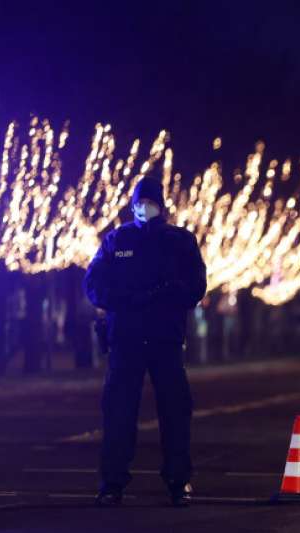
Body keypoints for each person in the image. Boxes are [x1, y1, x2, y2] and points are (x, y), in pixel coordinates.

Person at [84, 177, 207, 507]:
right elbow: (94, 283)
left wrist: (162, 297)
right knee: (119, 412)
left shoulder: (180, 241)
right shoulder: (117, 240)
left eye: (149, 202)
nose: (143, 208)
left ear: (160, 204)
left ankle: (178, 481)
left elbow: (196, 286)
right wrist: (127, 300)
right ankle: (112, 483)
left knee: (175, 412)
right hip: (127, 338)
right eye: (139, 202)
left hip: (164, 338)